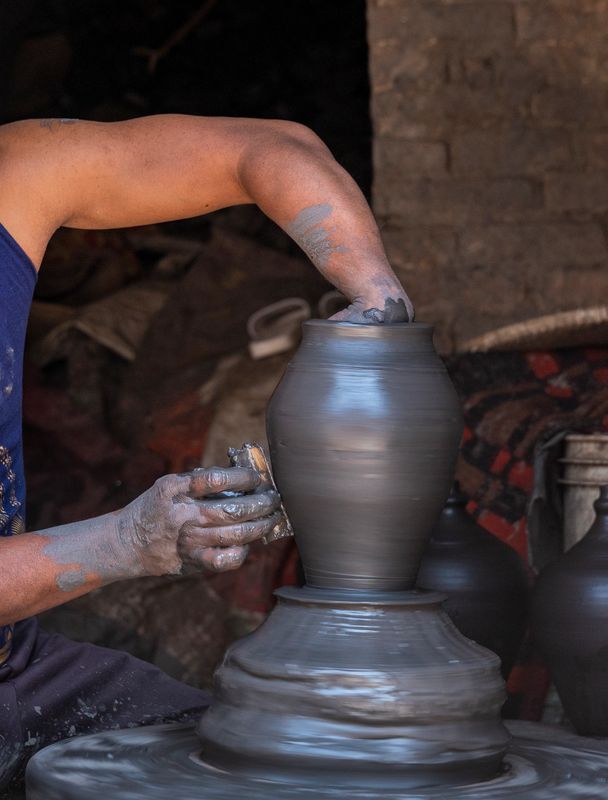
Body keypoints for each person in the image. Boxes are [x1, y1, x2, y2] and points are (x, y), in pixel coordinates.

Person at [0, 115, 413, 788]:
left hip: (18, 666)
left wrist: (373, 290)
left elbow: (267, 148)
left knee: (245, 770)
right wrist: (120, 542)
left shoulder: (14, 177)